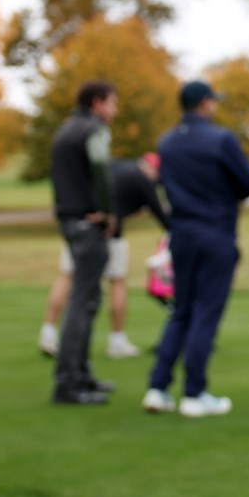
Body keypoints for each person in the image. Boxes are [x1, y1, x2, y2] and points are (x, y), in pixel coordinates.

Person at [143, 80, 249, 418]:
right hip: (215, 232)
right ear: (205, 104)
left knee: (182, 310)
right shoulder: (221, 139)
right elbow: (247, 184)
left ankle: (158, 387)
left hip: (182, 235)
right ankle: (194, 392)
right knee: (206, 312)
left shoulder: (167, 141)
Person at [37, 152, 170, 360]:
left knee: (67, 275)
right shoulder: (143, 180)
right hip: (110, 234)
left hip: (81, 226)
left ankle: (48, 334)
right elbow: (161, 215)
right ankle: (117, 341)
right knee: (117, 281)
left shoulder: (114, 164)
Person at [49, 80, 119, 405]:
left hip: (68, 220)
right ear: (97, 103)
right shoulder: (94, 130)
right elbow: (102, 169)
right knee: (83, 301)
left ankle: (82, 375)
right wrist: (107, 212)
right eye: (112, 103)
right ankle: (69, 383)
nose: (115, 111)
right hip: (88, 223)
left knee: (87, 299)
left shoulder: (65, 129)